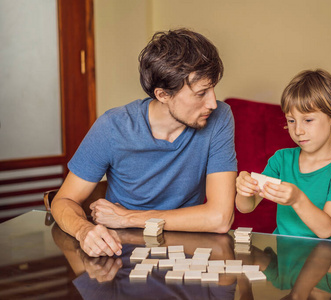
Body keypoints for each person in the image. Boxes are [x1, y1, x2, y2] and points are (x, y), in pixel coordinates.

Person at [51, 28, 237, 257]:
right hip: (122, 253)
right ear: (162, 95)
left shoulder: (219, 119)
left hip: (188, 254)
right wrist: (84, 230)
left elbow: (220, 219)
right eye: (201, 93)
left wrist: (128, 217)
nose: (213, 103)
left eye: (213, 89)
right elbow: (63, 200)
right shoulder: (113, 127)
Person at [235, 69, 331, 240]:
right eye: (291, 120)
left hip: (328, 262)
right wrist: (244, 189)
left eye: (308, 120)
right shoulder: (281, 160)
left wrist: (297, 199)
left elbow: (326, 230)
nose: (298, 131)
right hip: (284, 259)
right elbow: (246, 207)